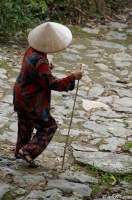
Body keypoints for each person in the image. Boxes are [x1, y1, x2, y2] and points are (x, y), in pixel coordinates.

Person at [13, 22, 83, 167]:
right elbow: (51, 83)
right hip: (31, 99)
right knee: (49, 127)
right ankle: (27, 152)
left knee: (25, 126)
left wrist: (47, 67)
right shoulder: (40, 61)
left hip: (21, 94)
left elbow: (33, 69)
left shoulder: (31, 50)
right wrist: (72, 77)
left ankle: (20, 152)